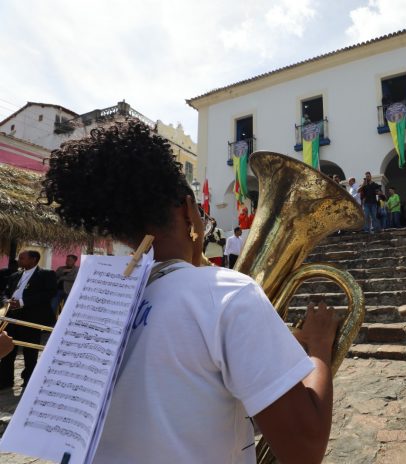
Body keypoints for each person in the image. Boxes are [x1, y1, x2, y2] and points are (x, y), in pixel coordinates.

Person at [42, 119, 339, 464]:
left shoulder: (94, 305)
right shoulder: (228, 293)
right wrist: (319, 348)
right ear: (187, 210)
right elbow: (304, 451)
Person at [0, 250, 57, 389]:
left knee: (30, 353)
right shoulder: (15, 275)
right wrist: (6, 301)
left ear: (33, 260)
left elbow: (49, 293)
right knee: (8, 349)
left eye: (22, 258)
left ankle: (28, 382)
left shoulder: (46, 274)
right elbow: (4, 292)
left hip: (32, 318)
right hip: (11, 317)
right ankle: (6, 381)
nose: (18, 260)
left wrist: (23, 302)